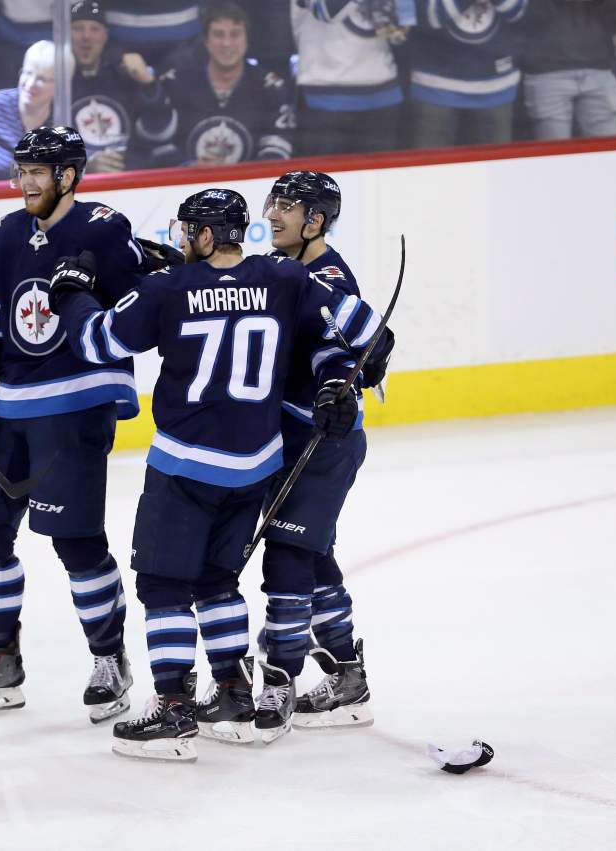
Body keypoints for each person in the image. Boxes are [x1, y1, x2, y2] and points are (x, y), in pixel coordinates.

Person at [49, 188, 385, 759]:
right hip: (256, 464)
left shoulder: (167, 289)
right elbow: (366, 329)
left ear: (205, 236)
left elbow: (97, 341)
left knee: (162, 585)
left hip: (187, 463)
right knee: (218, 581)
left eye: (187, 232)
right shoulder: (283, 279)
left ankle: (174, 711)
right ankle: (231, 691)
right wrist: (354, 368)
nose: (181, 241)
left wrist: (71, 294)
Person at [0, 126, 145, 725]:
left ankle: (110, 659)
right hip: (10, 407)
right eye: (20, 170)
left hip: (77, 402)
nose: (25, 181)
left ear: (69, 177)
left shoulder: (104, 228)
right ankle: (0, 659)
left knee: (75, 540)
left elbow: (138, 315)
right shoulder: (1, 235)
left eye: (37, 171)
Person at [257, 170, 393, 731]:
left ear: (315, 219)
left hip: (323, 439)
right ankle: (346, 671)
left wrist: (337, 386)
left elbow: (347, 351)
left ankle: (279, 679)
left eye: (286, 207)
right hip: (289, 435)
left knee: (288, 556)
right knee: (310, 554)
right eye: (273, 203)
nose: (272, 215)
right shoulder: (286, 268)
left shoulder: (327, 276)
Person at [129, 1, 294, 169]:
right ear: (206, 41)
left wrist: (242, 177)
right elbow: (156, 146)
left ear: (247, 41)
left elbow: (278, 149)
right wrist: (188, 168)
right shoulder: (175, 83)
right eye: (218, 34)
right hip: (184, 188)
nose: (227, 43)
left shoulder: (271, 88)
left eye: (235, 34)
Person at [290, 0, 405, 157]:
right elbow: (325, 10)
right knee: (325, 179)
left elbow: (397, 32)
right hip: (325, 99)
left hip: (383, 94)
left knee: (379, 180)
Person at [407, 0, 528, 148]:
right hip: (436, 85)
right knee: (432, 168)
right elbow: (428, 16)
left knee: (495, 167)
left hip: (497, 86)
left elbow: (517, 10)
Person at [69, 0, 159, 174]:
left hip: (127, 180)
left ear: (105, 35)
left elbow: (156, 132)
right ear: (66, 35)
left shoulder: (125, 75)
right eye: (78, 28)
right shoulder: (54, 81)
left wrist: (149, 83)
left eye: (94, 29)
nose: (86, 36)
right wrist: (85, 166)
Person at [516, 0, 616, 140]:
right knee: (553, 156)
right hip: (546, 68)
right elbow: (522, 15)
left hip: (597, 64)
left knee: (605, 155)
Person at [0, 40, 72, 181]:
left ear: (61, 86)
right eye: (27, 73)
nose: (30, 84)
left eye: (42, 79)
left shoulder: (64, 120)